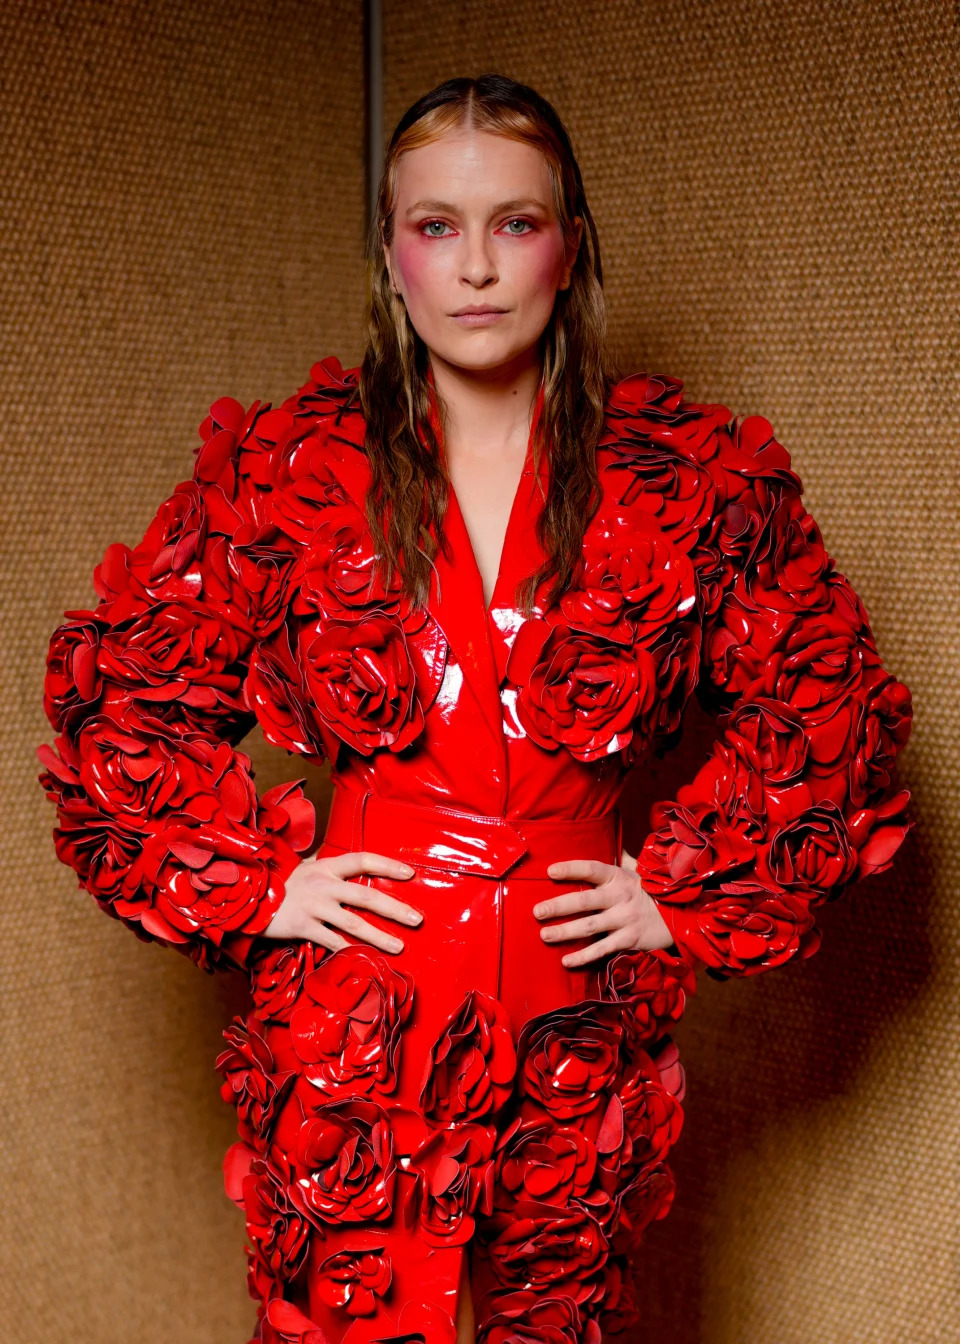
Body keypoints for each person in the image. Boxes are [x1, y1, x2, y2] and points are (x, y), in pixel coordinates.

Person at [38, 73, 914, 1344]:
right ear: (391, 252)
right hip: (357, 1024)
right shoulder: (297, 468)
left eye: (516, 221)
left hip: (577, 1028)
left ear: (571, 245)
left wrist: (680, 894)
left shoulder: (689, 478)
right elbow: (119, 699)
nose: (478, 267)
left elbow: (830, 701)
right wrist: (265, 884)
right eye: (437, 225)